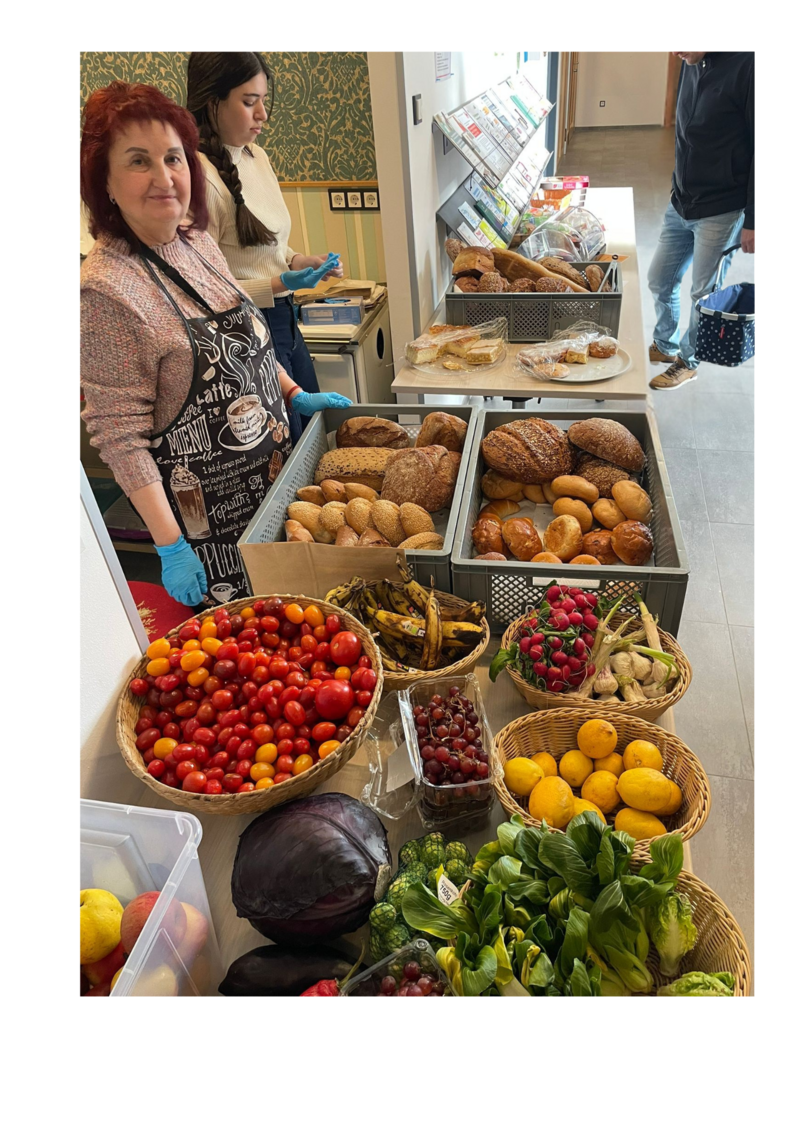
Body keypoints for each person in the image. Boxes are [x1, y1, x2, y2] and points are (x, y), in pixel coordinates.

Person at [80, 81, 350, 608]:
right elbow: (121, 438)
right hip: (210, 528)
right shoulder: (106, 290)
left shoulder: (197, 242)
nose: (164, 178)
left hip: (274, 486)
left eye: (173, 158)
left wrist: (293, 392)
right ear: (104, 181)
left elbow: (244, 342)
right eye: (138, 161)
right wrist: (170, 544)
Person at [186, 52, 342, 439]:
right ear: (212, 102)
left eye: (263, 101)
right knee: (286, 441)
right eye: (249, 102)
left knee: (314, 431)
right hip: (242, 329)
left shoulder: (257, 157)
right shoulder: (196, 178)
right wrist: (279, 283)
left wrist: (300, 261)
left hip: (285, 319)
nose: (263, 115)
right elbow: (205, 291)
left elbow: (268, 245)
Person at [648, 51, 754, 391]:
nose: (676, 49)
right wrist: (678, 183)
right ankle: (665, 343)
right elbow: (685, 133)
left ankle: (688, 361)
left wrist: (754, 220)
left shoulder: (749, 66)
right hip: (681, 201)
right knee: (659, 279)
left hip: (722, 209)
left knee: (703, 295)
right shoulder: (692, 60)